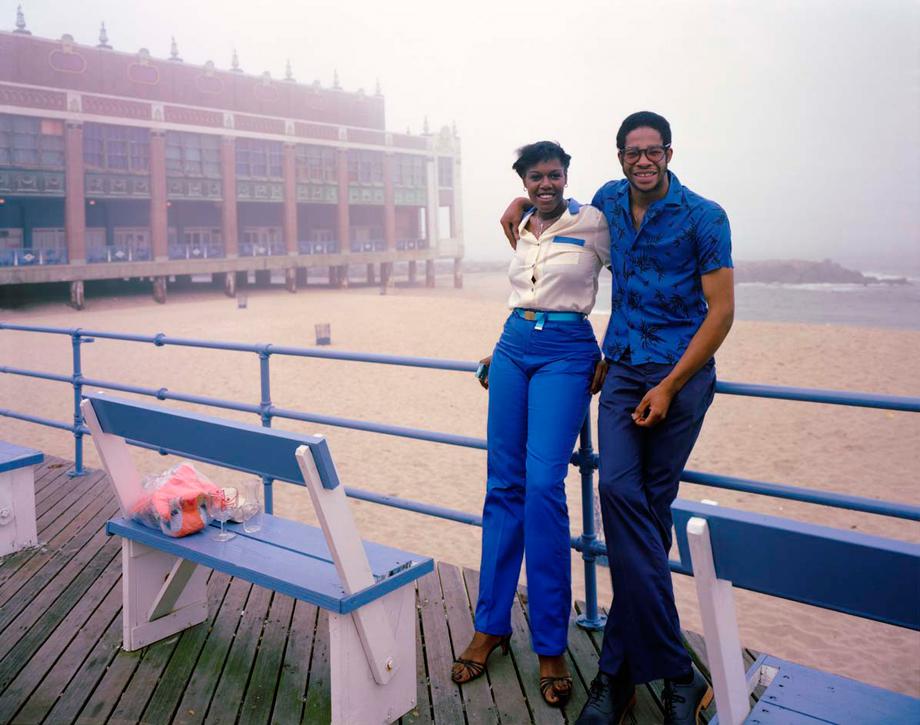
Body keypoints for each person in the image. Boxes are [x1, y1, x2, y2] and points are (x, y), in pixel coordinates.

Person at [500, 112, 734, 725]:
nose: (642, 161)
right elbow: (557, 211)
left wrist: (672, 384)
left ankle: (616, 676)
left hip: (679, 379)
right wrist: (521, 200)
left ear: (668, 152)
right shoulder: (607, 202)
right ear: (621, 157)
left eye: (652, 151)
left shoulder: (705, 216)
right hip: (624, 370)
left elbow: (722, 313)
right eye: (631, 152)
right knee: (616, 493)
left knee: (647, 521)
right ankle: (679, 674)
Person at [451, 141, 610, 708]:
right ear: (524, 180)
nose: (547, 184)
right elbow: (529, 285)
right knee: (503, 485)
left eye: (555, 175)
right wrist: (501, 349)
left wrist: (610, 349)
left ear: (567, 176)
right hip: (513, 344)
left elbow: (630, 287)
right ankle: (490, 625)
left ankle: (550, 643)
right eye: (536, 177)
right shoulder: (520, 223)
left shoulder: (595, 222)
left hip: (568, 350)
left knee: (545, 488)